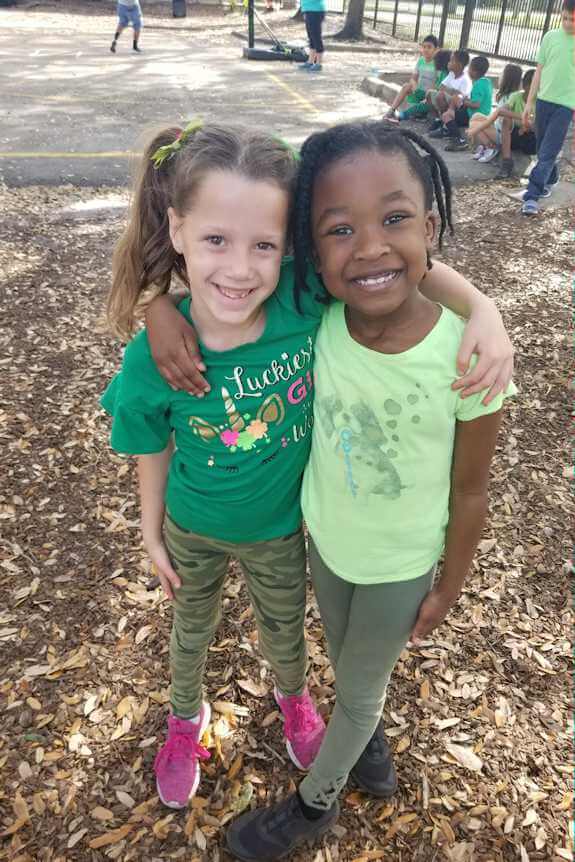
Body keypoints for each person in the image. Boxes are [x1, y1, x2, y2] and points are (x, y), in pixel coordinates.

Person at [224, 120, 516, 861]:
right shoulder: (315, 320)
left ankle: (313, 804)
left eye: (393, 220)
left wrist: (450, 582)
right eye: (338, 229)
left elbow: (471, 488)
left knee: (355, 687)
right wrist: (161, 312)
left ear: (429, 225)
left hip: (400, 563)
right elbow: (213, 283)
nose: (370, 247)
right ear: (310, 248)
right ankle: (370, 747)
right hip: (328, 542)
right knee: (350, 661)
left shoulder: (469, 357)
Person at [100, 122, 328, 810]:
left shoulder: (301, 303)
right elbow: (151, 445)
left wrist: (484, 312)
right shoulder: (154, 358)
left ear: (286, 248)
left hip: (279, 530)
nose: (239, 268)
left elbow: (394, 263)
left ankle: (294, 702)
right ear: (176, 230)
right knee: (189, 631)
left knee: (285, 629)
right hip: (192, 528)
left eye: (264, 245)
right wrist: (149, 531)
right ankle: (183, 719)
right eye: (215, 241)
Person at [520, 0, 575, 216]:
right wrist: (529, 103)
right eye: (565, 18)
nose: (569, 23)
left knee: (547, 152)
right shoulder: (550, 37)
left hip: (566, 106)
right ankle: (551, 177)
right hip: (543, 101)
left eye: (574, 19)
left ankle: (531, 196)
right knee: (542, 147)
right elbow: (539, 72)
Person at [466, 63, 522, 163]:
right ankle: (485, 146)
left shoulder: (513, 97)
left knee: (476, 125)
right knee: (476, 116)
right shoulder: (504, 95)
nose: (500, 77)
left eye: (502, 75)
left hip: (503, 134)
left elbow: (505, 120)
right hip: (497, 127)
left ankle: (491, 147)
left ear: (507, 78)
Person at [438, 55, 494, 151]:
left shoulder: (478, 85)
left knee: (446, 116)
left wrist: (463, 101)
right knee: (455, 100)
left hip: (473, 115)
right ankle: (445, 127)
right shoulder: (487, 82)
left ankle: (459, 140)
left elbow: (476, 104)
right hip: (483, 114)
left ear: (474, 72)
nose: (468, 70)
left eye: (470, 68)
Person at [384, 35, 439, 121]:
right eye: (424, 47)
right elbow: (413, 78)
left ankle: (418, 114)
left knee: (413, 112)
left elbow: (436, 83)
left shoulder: (437, 63)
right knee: (406, 86)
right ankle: (391, 111)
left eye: (429, 47)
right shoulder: (421, 60)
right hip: (418, 91)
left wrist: (426, 97)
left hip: (429, 96)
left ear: (436, 50)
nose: (426, 49)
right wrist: (415, 87)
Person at [495, 69, 537, 179]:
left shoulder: (540, 101)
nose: (535, 90)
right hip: (516, 136)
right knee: (506, 119)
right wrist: (522, 118)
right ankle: (506, 162)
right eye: (531, 86)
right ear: (525, 85)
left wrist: (528, 125)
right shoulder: (516, 96)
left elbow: (537, 125)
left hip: (531, 139)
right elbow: (501, 111)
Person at [426, 50, 471, 132]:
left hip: (457, 106)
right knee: (429, 93)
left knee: (441, 95)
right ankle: (439, 117)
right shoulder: (451, 74)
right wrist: (451, 91)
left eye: (452, 60)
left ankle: (444, 122)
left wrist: (448, 91)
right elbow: (441, 87)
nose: (448, 63)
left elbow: (460, 96)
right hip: (448, 99)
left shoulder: (465, 79)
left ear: (459, 65)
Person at [298, 0, 326, 73]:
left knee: (316, 37)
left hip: (315, 11)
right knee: (311, 37)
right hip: (308, 10)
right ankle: (310, 61)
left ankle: (319, 63)